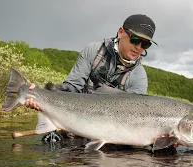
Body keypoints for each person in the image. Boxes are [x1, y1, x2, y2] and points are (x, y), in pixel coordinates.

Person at [25, 14, 157, 110]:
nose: (138, 47)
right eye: (134, 39)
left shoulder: (139, 76)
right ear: (121, 32)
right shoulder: (93, 51)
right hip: (75, 116)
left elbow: (134, 113)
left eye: (145, 44)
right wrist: (44, 92)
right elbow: (72, 87)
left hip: (111, 129)